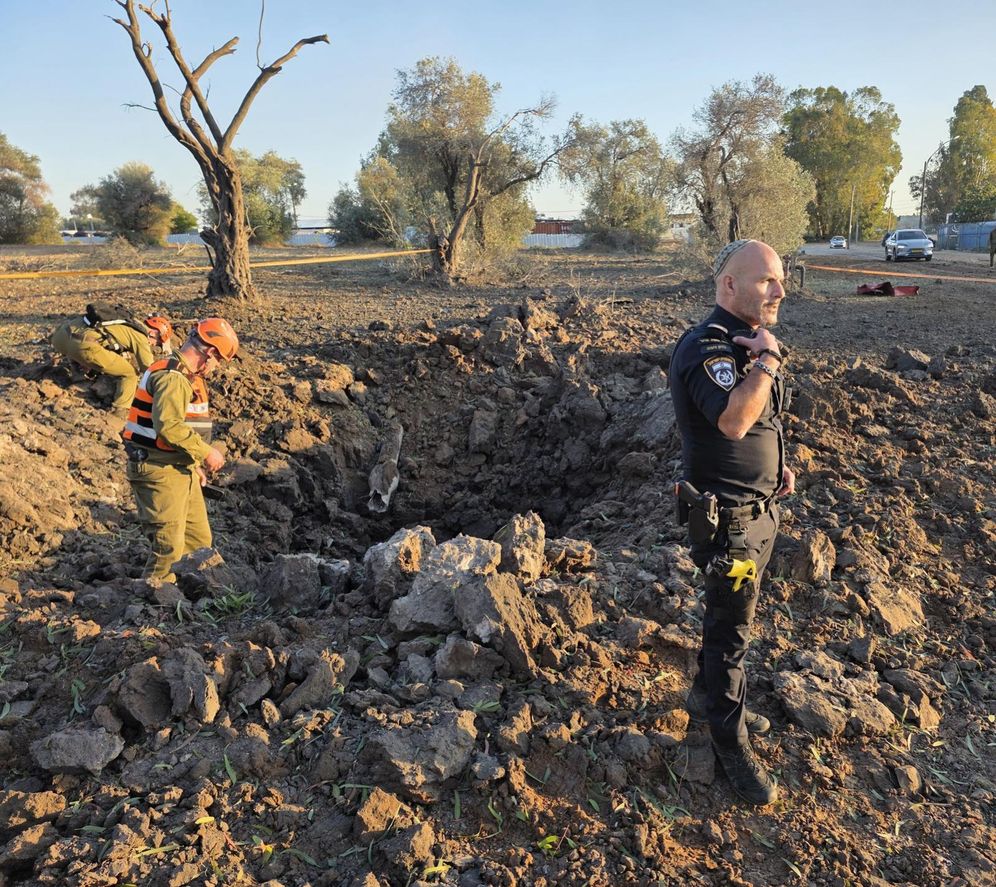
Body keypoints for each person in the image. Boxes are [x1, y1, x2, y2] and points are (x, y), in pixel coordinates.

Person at [668, 239, 796, 806]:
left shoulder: (747, 345)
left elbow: (768, 418)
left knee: (733, 620)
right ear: (729, 286)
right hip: (729, 526)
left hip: (760, 510)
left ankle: (707, 697)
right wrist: (768, 359)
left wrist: (778, 471)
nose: (780, 290)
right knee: (730, 634)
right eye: (767, 279)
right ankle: (728, 740)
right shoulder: (706, 348)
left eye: (780, 279)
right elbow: (734, 422)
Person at [122, 317, 239, 581]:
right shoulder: (172, 377)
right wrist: (206, 453)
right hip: (158, 469)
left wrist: (193, 464)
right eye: (219, 360)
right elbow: (170, 427)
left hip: (180, 466)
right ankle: (153, 602)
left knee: (198, 541)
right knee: (169, 547)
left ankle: (188, 598)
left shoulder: (186, 375)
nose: (217, 367)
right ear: (209, 353)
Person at [51, 310, 174, 418]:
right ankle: (120, 411)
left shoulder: (124, 322)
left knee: (98, 354)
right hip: (82, 346)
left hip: (60, 337)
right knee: (130, 373)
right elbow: (147, 368)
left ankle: (77, 375)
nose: (154, 346)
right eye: (157, 343)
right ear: (155, 333)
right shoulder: (141, 336)